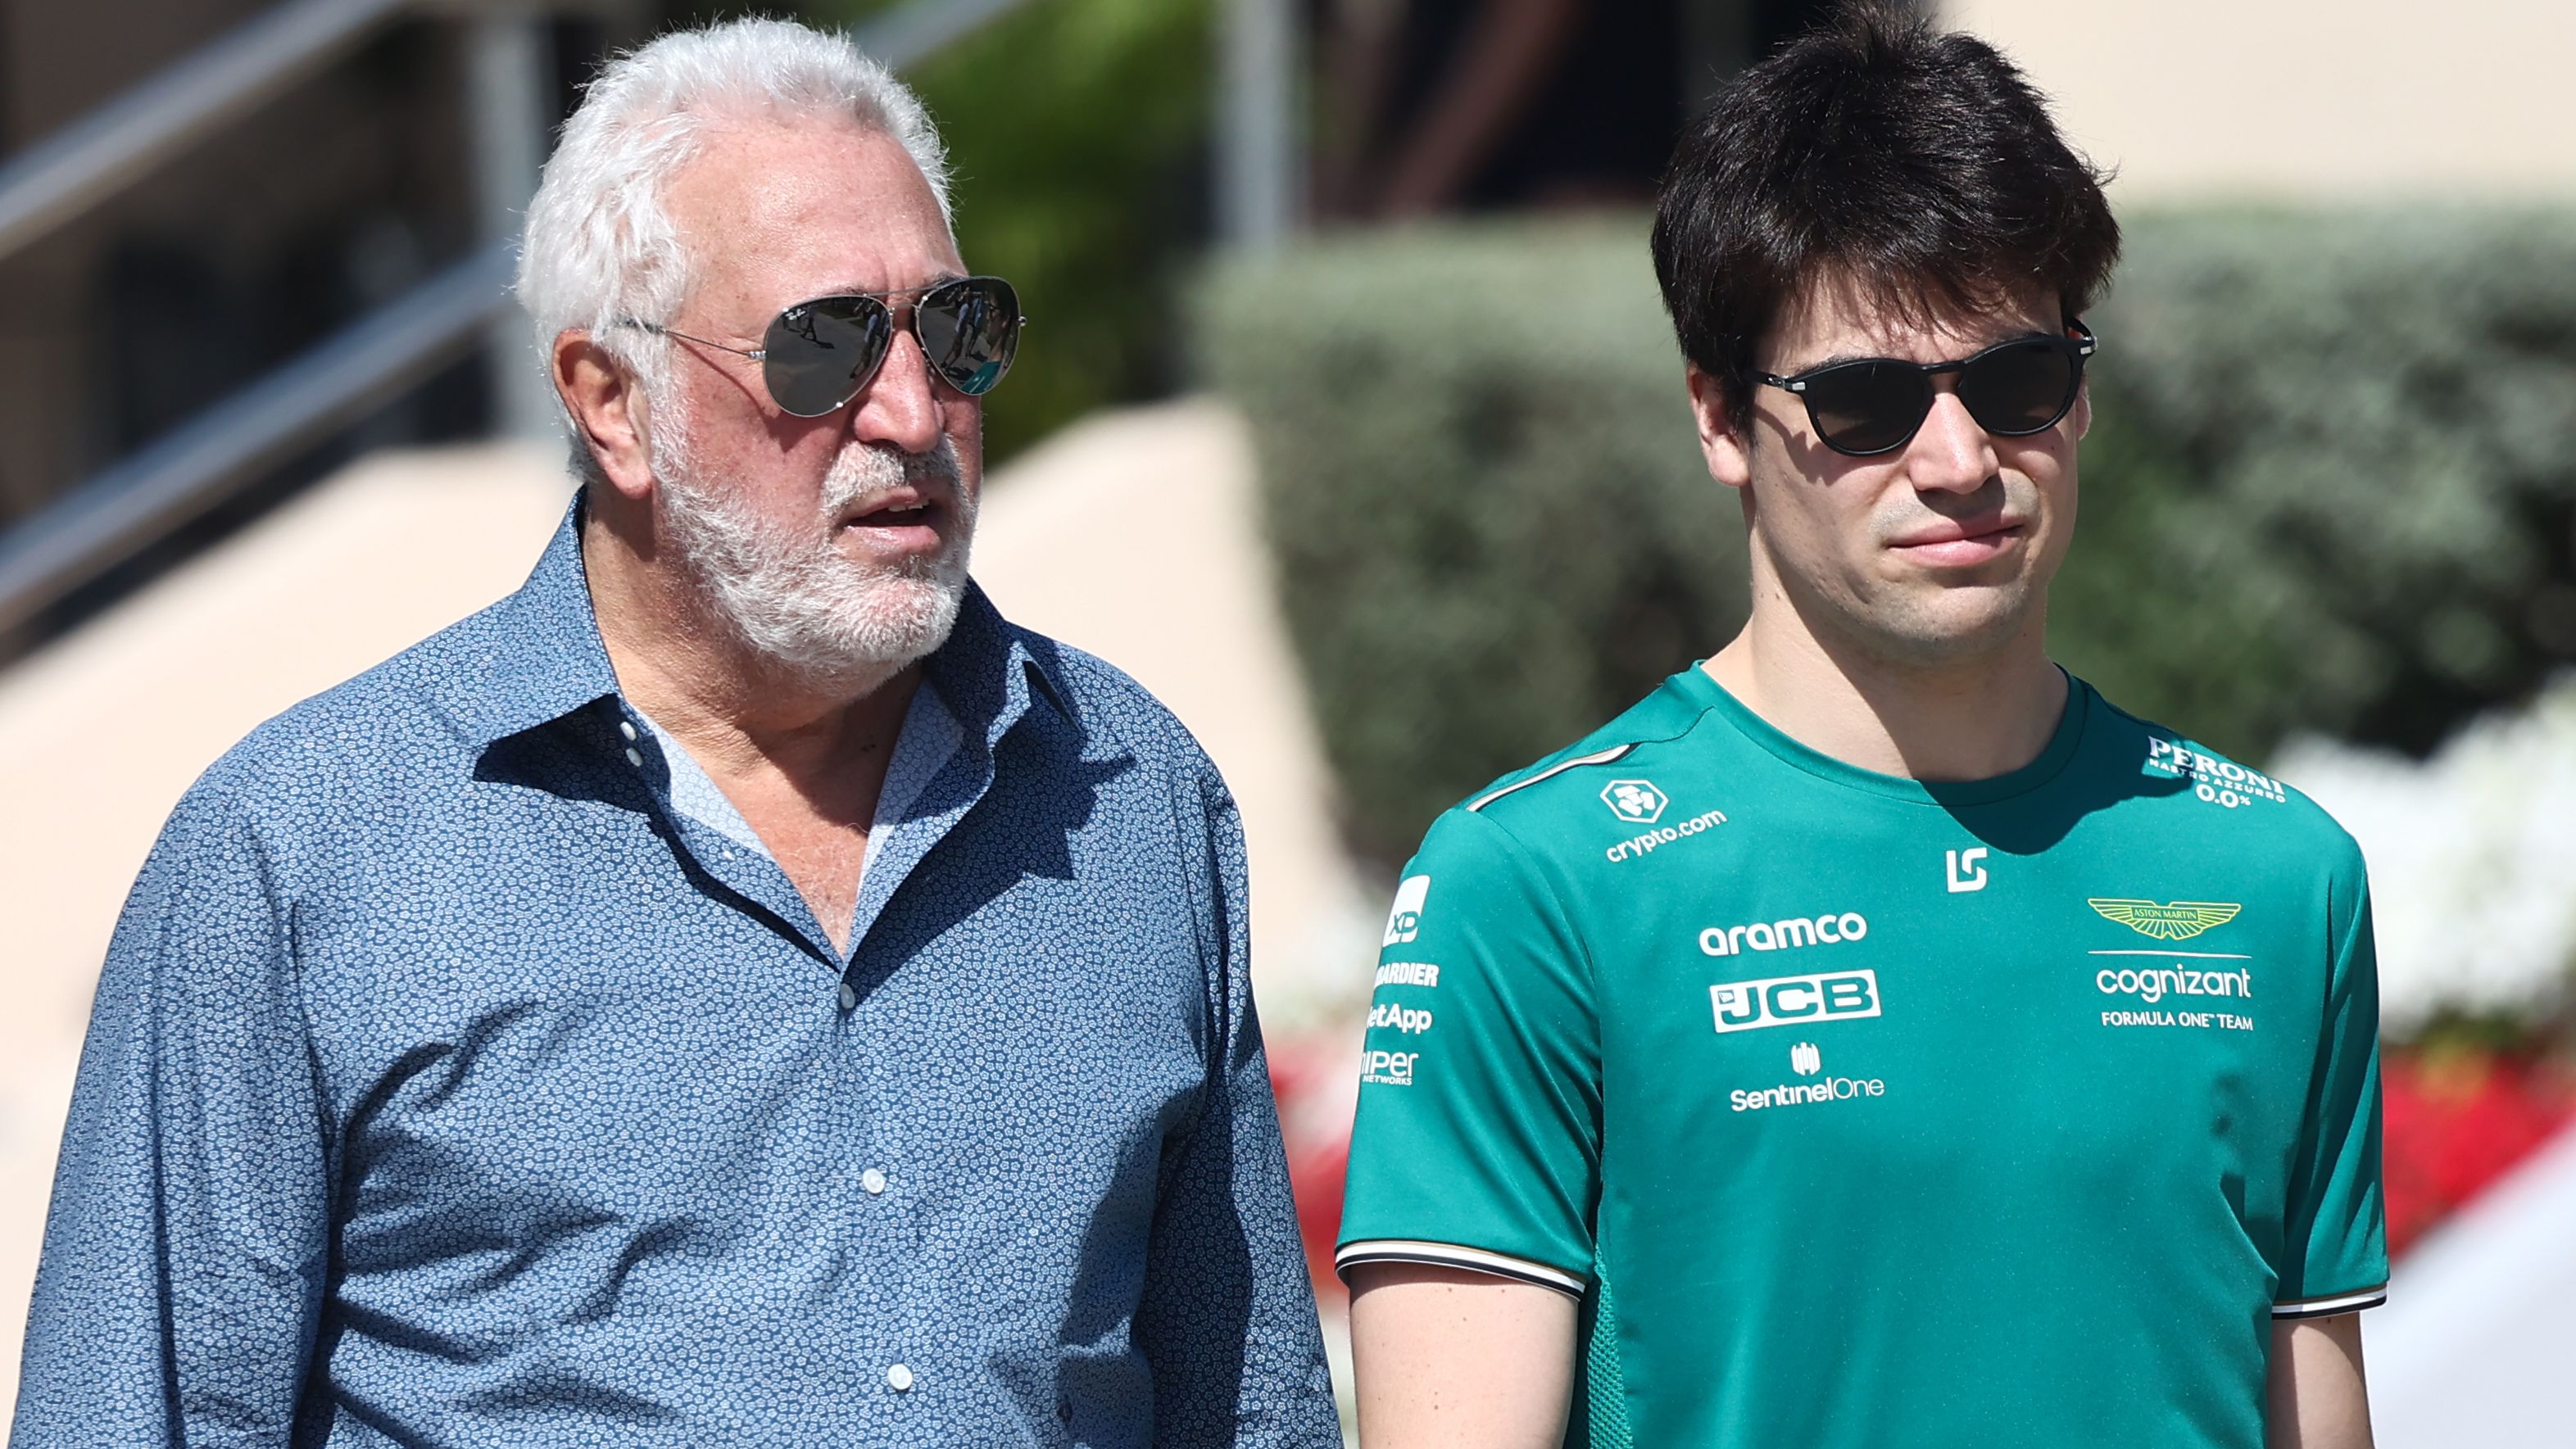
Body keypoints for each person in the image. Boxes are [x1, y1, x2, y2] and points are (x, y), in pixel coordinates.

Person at [12, 19, 1339, 1447]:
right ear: (611, 403)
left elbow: (1246, 1406)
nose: (911, 410)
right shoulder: (303, 854)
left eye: (957, 331)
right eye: (823, 344)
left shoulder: (1129, 795)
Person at [1335, 9, 2384, 1448]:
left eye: (2019, 381)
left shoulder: (2280, 877)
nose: (1959, 462)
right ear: (1719, 417)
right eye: (1868, 402)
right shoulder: (1534, 886)